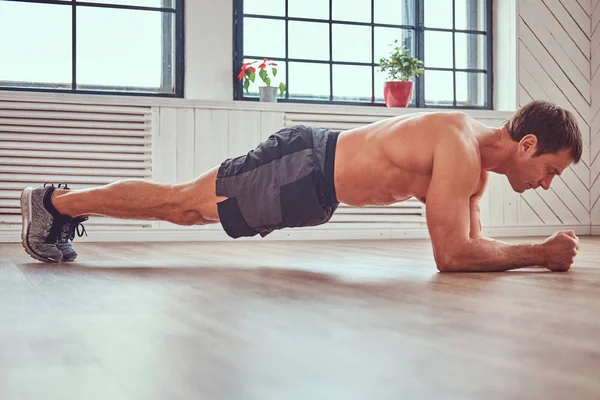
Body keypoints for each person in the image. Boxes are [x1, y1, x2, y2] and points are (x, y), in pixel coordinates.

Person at [20, 100, 581, 272]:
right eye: (551, 170)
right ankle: (53, 203)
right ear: (528, 144)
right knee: (181, 206)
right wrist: (540, 253)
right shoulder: (457, 145)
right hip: (305, 164)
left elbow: (472, 251)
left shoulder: (474, 171)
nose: (546, 185)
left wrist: (527, 255)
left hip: (313, 189)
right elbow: (454, 255)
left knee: (183, 207)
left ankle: (58, 205)